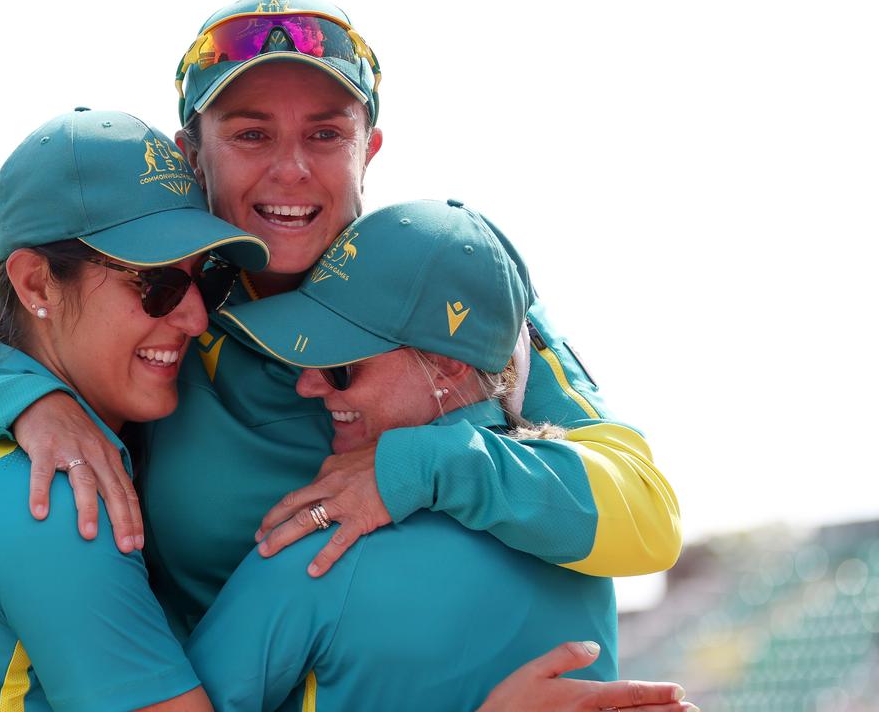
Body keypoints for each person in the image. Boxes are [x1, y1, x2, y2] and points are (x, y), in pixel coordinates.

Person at [0, 0, 686, 705]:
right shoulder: (147, 307)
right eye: (251, 132)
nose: (291, 170)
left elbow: (649, 516)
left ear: (370, 150)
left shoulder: (447, 302)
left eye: (326, 134)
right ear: (194, 151)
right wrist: (21, 401)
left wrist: (422, 465)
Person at [0, 108, 269, 711]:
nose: (195, 318)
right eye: (156, 284)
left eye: (207, 282)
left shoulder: (0, 463)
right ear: (36, 285)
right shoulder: (55, 494)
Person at [185, 199, 641, 709]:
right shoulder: (584, 555)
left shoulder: (315, 558)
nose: (308, 386)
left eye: (339, 366)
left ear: (447, 366)